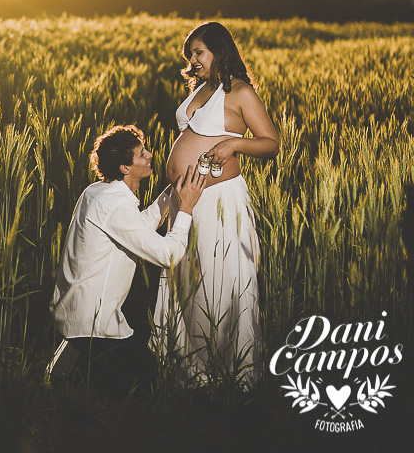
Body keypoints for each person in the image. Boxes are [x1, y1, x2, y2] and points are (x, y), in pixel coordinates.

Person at [153, 21, 279, 386]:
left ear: (219, 51)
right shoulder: (201, 89)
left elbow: (271, 143)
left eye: (199, 52)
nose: (193, 60)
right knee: (188, 278)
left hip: (218, 199)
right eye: (190, 54)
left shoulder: (240, 92)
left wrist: (234, 145)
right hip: (186, 200)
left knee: (217, 279)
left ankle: (229, 371)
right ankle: (193, 367)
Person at [48, 125, 208, 395]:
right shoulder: (115, 205)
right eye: (141, 154)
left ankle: (74, 365)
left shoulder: (98, 192)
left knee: (137, 370)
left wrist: (171, 194)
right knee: (153, 382)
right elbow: (167, 255)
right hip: (95, 325)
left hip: (78, 312)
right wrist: (187, 208)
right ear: (125, 167)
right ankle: (77, 370)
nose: (149, 156)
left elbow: (136, 228)